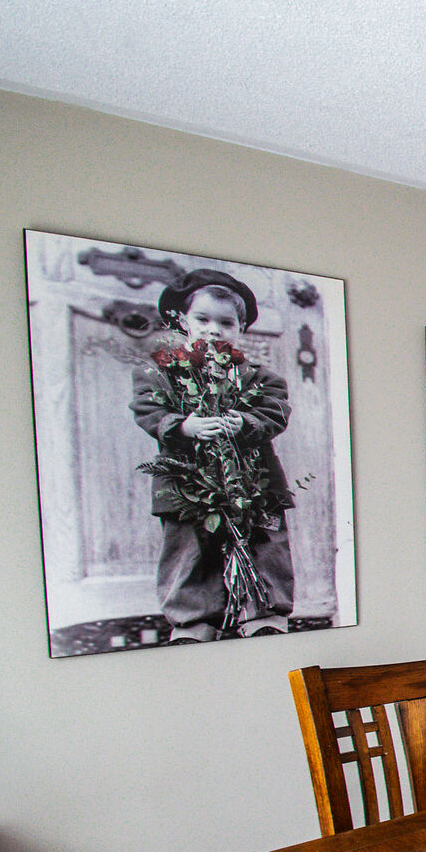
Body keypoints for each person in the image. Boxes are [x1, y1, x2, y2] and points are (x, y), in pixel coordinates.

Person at [131, 269, 295, 644]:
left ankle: (264, 615)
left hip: (252, 480)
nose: (213, 330)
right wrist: (183, 426)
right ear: (182, 321)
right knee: (188, 548)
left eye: (226, 323)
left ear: (241, 328)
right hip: (187, 479)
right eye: (202, 319)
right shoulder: (162, 373)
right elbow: (147, 408)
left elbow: (275, 410)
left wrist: (246, 422)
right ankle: (192, 623)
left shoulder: (257, 376)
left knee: (264, 542)